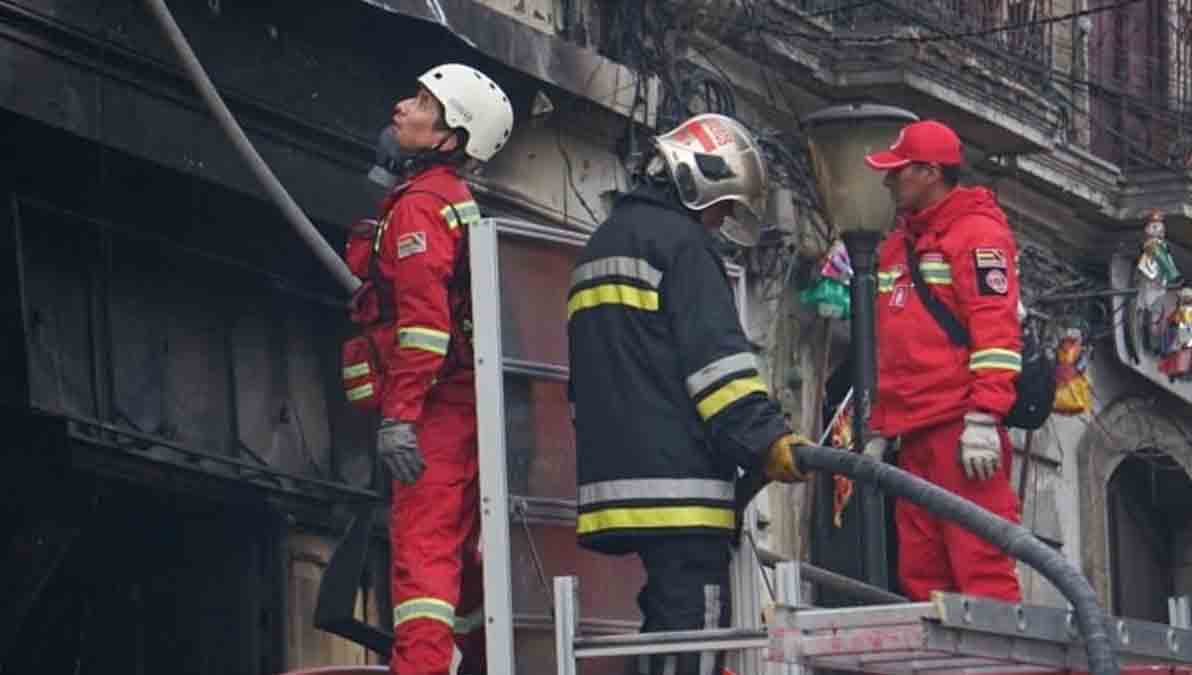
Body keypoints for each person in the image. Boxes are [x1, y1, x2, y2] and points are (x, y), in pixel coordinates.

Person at [567, 113, 813, 675]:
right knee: (694, 625)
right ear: (696, 179)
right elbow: (717, 367)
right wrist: (767, 440)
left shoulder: (600, 246)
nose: (723, 219)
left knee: (662, 622)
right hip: (679, 482)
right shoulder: (682, 246)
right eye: (724, 204)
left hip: (616, 476)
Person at [364, 63, 513, 675]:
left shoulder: (422, 208)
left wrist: (400, 417)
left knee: (423, 560)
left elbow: (423, 328)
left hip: (435, 410)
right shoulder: (455, 202)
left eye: (423, 104)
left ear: (449, 138)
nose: (402, 108)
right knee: (470, 566)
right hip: (468, 401)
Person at [863, 120, 1023, 602]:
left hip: (959, 428)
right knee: (921, 574)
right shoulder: (898, 245)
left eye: (898, 172)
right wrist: (880, 426)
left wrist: (983, 418)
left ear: (930, 172)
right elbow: (893, 346)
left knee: (981, 567)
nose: (889, 182)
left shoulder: (977, 235)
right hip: (913, 432)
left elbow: (996, 332)